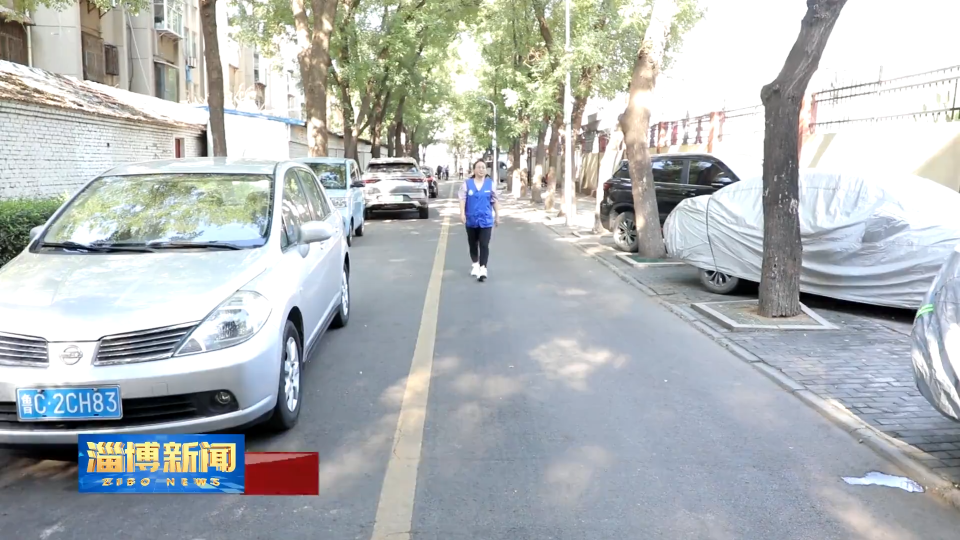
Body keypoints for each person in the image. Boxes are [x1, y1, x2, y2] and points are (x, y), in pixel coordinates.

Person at [459, 160, 501, 282]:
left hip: (486, 220)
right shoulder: (467, 184)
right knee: (473, 244)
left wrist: (497, 215)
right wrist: (462, 213)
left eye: (483, 167)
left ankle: (483, 268)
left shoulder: (490, 184)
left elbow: (495, 200)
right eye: (479, 167)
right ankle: (475, 264)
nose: (481, 169)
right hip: (471, 219)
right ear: (474, 170)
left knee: (484, 244)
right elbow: (462, 199)